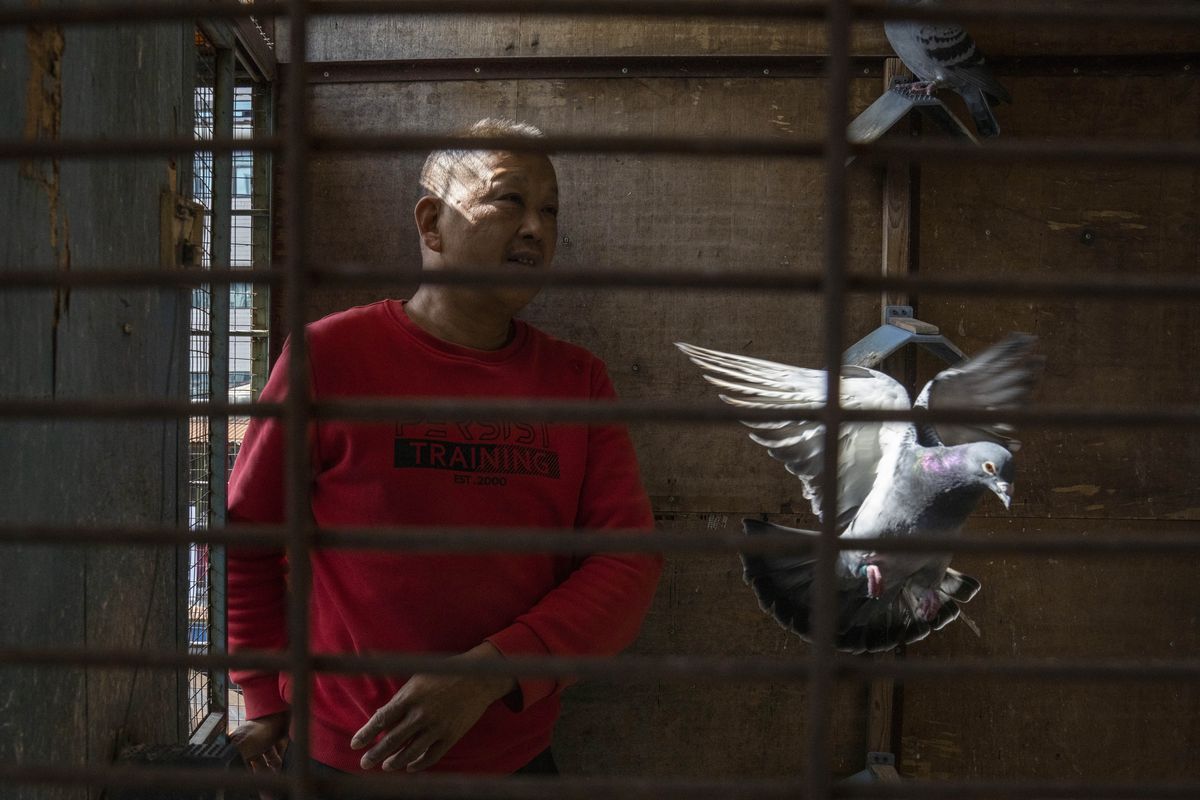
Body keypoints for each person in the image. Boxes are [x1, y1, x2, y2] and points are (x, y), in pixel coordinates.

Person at [225, 118, 663, 791]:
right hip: (342, 760)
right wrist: (263, 695)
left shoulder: (577, 383)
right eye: (508, 200)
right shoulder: (329, 359)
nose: (535, 229)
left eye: (550, 211)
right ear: (433, 223)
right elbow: (248, 536)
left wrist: (486, 676)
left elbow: (626, 566)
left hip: (511, 763)